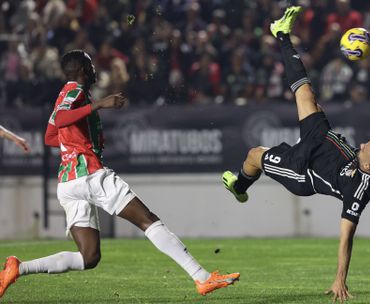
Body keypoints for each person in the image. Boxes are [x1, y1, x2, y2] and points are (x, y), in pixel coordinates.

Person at [0, 50, 239, 299]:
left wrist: (77, 142)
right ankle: (202, 277)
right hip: (90, 175)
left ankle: (19, 268)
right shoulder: (75, 91)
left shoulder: (64, 94)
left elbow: (51, 136)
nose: (94, 70)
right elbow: (61, 119)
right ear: (82, 70)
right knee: (147, 219)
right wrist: (99, 106)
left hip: (68, 182)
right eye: (90, 65)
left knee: (89, 257)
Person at [222, 7, 370, 302]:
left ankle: (239, 187)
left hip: (304, 169)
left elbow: (346, 237)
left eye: (363, 149)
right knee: (304, 90)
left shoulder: (358, 192)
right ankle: (282, 33)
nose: (361, 144)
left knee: (253, 155)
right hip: (324, 141)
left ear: (366, 166)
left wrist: (339, 280)